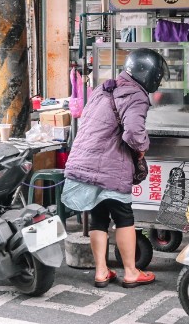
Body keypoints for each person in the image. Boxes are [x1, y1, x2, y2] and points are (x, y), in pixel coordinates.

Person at [61, 48, 168, 289]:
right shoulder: (135, 94)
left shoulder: (105, 88)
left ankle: (101, 271)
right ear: (148, 73)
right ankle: (130, 272)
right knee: (123, 217)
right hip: (111, 165)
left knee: (99, 217)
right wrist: (142, 147)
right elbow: (133, 132)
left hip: (85, 160)